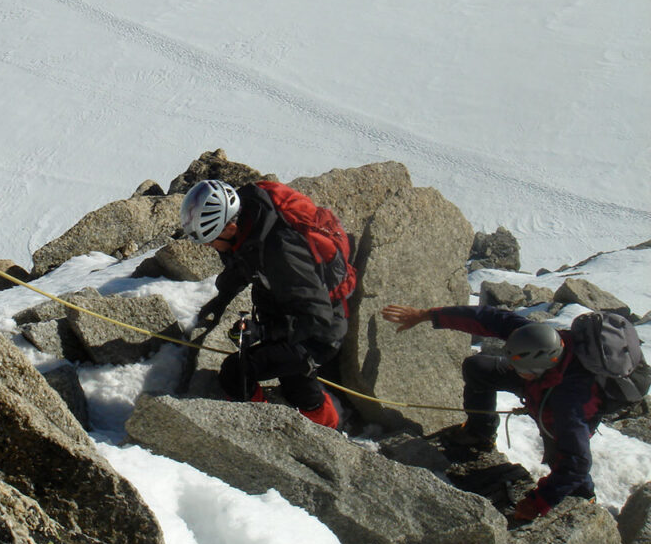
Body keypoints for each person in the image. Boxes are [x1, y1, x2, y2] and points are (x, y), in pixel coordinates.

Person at [381, 303, 603, 521]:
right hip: (542, 385)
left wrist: (539, 503)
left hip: (567, 405)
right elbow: (486, 317)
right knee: (478, 368)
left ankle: (584, 496)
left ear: (537, 370)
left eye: (519, 368)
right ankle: (480, 433)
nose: (511, 369)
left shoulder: (566, 405)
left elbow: (577, 462)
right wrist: (426, 314)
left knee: (562, 455)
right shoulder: (534, 338)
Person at [180, 179, 347, 429]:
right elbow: (244, 262)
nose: (208, 246)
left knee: (236, 373)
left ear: (229, 227)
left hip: (317, 335)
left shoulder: (281, 251)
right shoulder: (252, 226)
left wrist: (264, 332)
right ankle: (329, 429)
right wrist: (223, 296)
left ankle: (259, 432)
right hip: (286, 319)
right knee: (296, 385)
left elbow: (317, 316)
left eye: (211, 239)